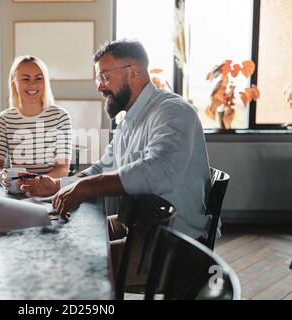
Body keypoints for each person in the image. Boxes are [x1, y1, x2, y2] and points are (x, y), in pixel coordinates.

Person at [20, 40, 211, 281]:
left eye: (105, 77)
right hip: (140, 223)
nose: (100, 87)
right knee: (67, 237)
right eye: (98, 78)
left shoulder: (172, 111)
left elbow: (159, 171)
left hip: (174, 239)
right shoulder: (129, 120)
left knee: (76, 264)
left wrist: (86, 186)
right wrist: (58, 185)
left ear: (133, 72)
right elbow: (103, 167)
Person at [0, 55, 72, 191]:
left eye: (38, 78)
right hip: (16, 190)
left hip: (48, 191)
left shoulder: (60, 116)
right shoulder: (4, 119)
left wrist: (38, 184)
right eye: (25, 79)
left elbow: (63, 168)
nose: (32, 84)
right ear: (14, 82)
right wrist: (1, 177)